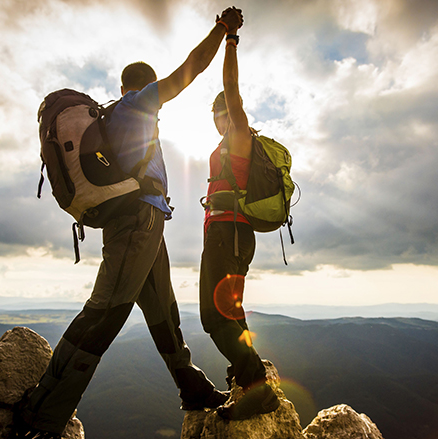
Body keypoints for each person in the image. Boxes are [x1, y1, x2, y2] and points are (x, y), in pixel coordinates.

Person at [15, 8, 244, 439]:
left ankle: (191, 386)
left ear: (120, 85)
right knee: (104, 313)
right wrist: (223, 31)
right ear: (139, 87)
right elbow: (188, 72)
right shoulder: (136, 105)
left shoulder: (118, 116)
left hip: (147, 223)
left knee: (164, 312)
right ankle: (42, 414)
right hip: (137, 224)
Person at [199, 13, 281, 420]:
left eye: (222, 113)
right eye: (217, 115)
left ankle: (256, 391)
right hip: (232, 234)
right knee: (231, 313)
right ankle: (247, 379)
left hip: (227, 233)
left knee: (212, 317)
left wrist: (230, 39)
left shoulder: (240, 134)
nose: (220, 119)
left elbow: (232, 89)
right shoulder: (230, 145)